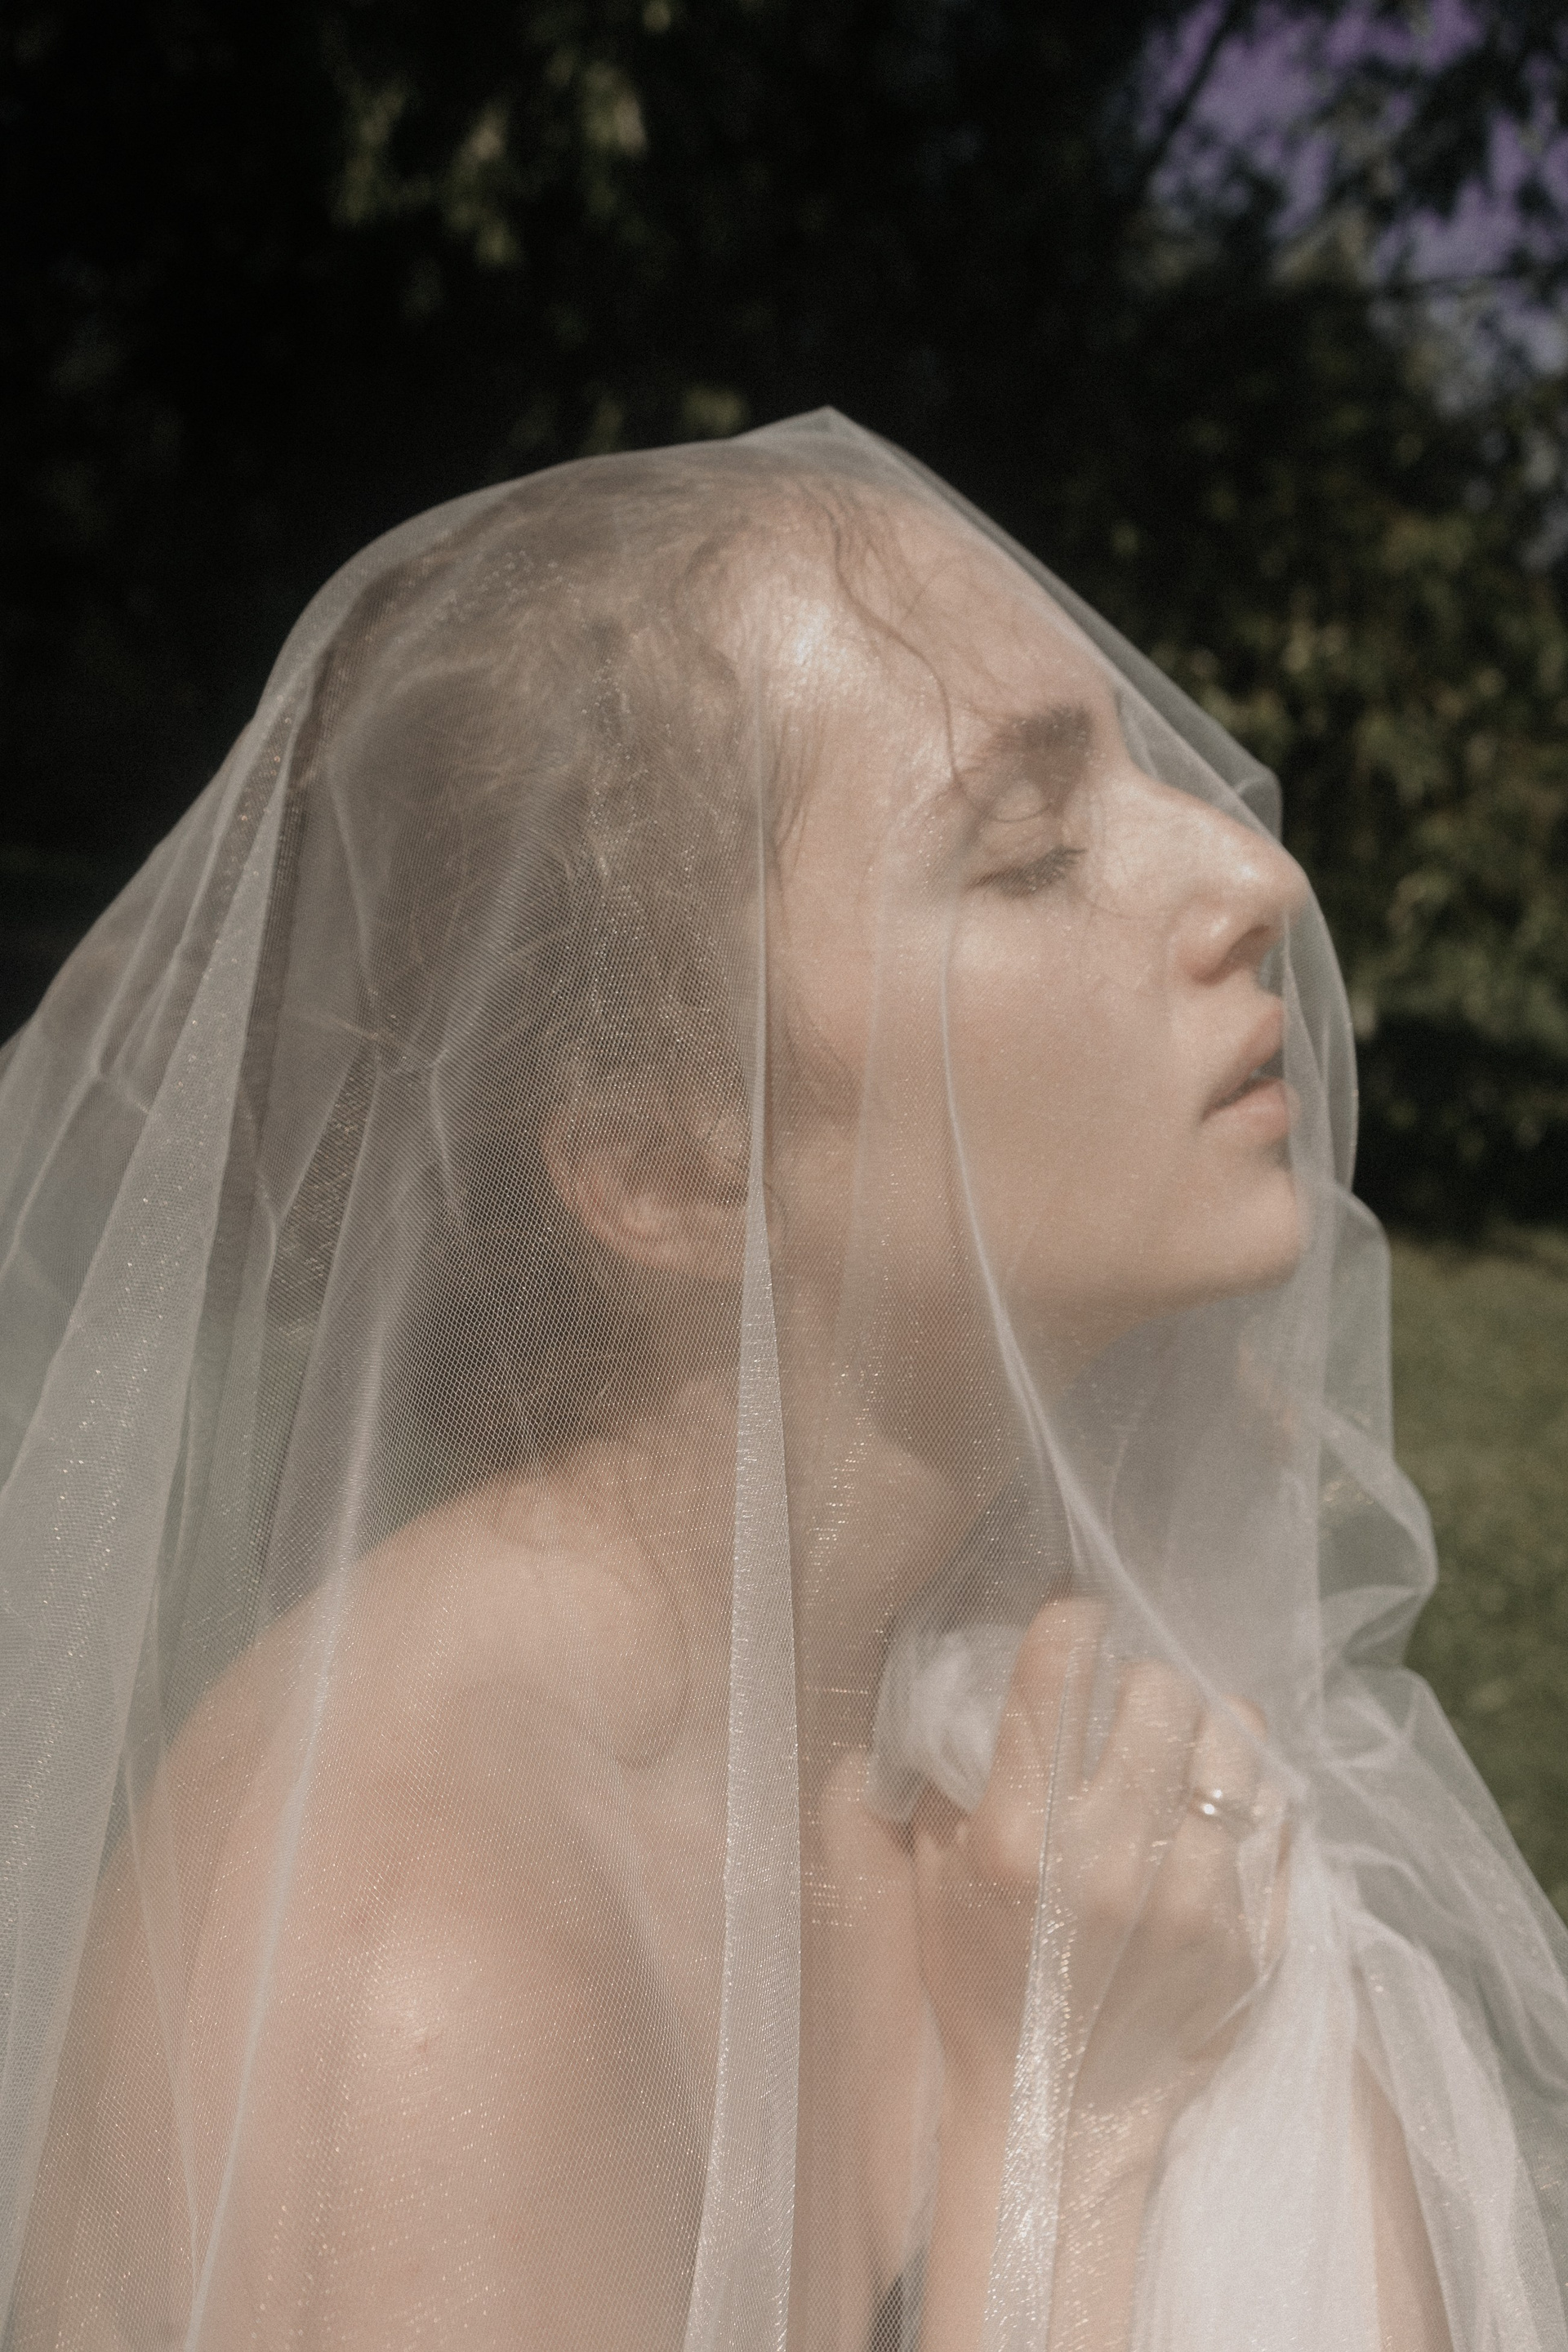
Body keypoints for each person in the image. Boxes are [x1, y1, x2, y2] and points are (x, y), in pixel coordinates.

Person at [1, 411, 1564, 2352]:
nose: (1254, 870)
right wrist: (1065, 2137)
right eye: (1030, 852)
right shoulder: (416, 1973)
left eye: (1151, 775)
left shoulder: (1037, 1718)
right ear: (668, 1167)